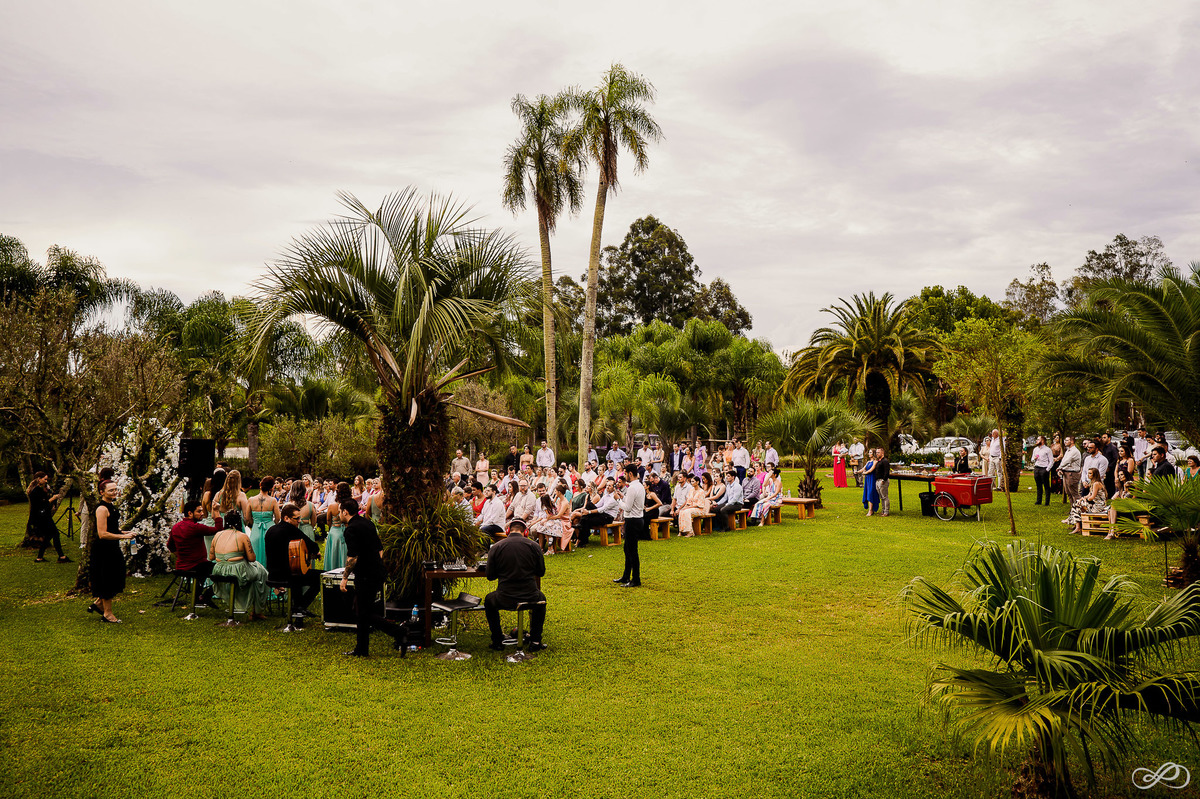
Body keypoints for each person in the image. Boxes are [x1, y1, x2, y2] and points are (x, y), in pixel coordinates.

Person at [337, 499, 407, 657]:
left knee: (363, 612)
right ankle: (362, 649)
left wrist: (344, 578)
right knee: (362, 611)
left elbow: (352, 557)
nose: (338, 514)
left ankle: (399, 631)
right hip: (376, 572)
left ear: (345, 512)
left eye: (340, 511)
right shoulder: (367, 523)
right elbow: (380, 549)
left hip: (366, 575)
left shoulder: (350, 530)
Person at [482, 518, 547, 651]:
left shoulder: (496, 547)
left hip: (504, 597)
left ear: (507, 531)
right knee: (541, 599)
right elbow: (541, 572)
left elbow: (490, 576)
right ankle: (535, 640)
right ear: (526, 532)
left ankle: (497, 640)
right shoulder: (534, 546)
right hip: (531, 596)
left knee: (489, 600)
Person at [88, 479, 137, 623]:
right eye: (111, 490)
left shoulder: (112, 506)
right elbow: (102, 533)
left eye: (116, 489)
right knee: (108, 579)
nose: (115, 492)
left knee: (117, 576)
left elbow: (112, 527)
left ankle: (98, 603)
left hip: (113, 548)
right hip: (104, 550)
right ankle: (107, 613)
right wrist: (123, 536)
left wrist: (123, 531)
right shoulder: (102, 509)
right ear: (101, 492)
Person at [208, 517, 270, 621]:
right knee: (262, 572)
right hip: (237, 571)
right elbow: (252, 558)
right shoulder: (242, 536)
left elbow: (211, 557)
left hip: (218, 570)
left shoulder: (217, 535)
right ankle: (257, 610)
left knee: (256, 571)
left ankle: (251, 608)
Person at [264, 503, 321, 614]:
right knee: (321, 577)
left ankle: (299, 607)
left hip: (272, 574)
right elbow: (312, 545)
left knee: (297, 571)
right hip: (288, 575)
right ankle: (300, 606)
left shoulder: (270, 530)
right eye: (296, 518)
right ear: (286, 518)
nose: (299, 521)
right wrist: (316, 552)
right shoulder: (291, 529)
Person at [168, 500, 221, 605]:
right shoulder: (196, 527)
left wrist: (180, 556)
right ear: (190, 513)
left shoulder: (176, 527)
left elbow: (170, 546)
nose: (202, 513)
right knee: (223, 571)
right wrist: (216, 511)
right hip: (197, 565)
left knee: (206, 568)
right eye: (199, 511)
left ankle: (199, 597)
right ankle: (206, 595)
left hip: (181, 565)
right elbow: (218, 529)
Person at [614, 464, 644, 587]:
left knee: (632, 551)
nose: (624, 476)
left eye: (625, 473)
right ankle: (626, 576)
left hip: (633, 520)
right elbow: (632, 501)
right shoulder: (639, 486)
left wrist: (617, 500)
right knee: (627, 549)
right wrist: (623, 497)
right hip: (637, 519)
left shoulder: (632, 488)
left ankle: (636, 579)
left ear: (630, 474)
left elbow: (627, 507)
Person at [27, 472, 67, 563]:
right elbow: (41, 504)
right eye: (44, 479)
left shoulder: (40, 489)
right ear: (39, 479)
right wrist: (53, 498)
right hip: (41, 517)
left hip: (43, 515)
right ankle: (61, 556)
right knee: (55, 534)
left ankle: (40, 557)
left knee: (48, 536)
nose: (46, 481)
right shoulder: (36, 491)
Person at [1068, 468, 1108, 534]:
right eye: (1088, 473)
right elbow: (1089, 495)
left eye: (1090, 473)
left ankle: (1077, 526)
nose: (1088, 475)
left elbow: (1092, 497)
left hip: (1098, 507)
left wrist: (1085, 500)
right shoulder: (1092, 483)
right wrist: (1082, 499)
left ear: (1094, 475)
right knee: (1077, 503)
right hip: (1095, 505)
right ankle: (1077, 526)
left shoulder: (1096, 484)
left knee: (1077, 505)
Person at [324, 482, 352, 570]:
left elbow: (328, 520)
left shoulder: (332, 506)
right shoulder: (351, 504)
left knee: (333, 553)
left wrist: (331, 527)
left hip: (335, 531)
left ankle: (332, 570)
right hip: (348, 531)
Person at [1057, 436, 1082, 511]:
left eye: (1067, 440)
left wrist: (1059, 467)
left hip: (1072, 474)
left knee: (1074, 493)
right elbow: (1064, 461)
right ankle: (1073, 510)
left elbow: (1067, 461)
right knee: (1069, 493)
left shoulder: (1074, 451)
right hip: (1066, 473)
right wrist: (1061, 469)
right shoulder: (1068, 451)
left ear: (1072, 441)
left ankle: (1079, 510)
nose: (1065, 441)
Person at [1031, 436, 1054, 506]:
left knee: (1046, 485)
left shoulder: (1047, 450)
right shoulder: (1035, 449)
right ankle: (1039, 500)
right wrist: (1034, 459)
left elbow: (1051, 461)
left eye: (1038, 439)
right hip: (1037, 467)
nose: (1036, 441)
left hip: (1044, 468)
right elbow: (1032, 459)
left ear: (1042, 441)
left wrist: (1047, 469)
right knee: (1038, 485)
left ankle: (1047, 502)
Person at [858, 451, 879, 516]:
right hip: (867, 479)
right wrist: (857, 472)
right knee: (867, 493)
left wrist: (865, 473)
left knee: (870, 493)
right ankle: (870, 510)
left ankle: (870, 510)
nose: (869, 453)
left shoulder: (875, 462)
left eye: (870, 452)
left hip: (872, 479)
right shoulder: (868, 462)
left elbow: (871, 470)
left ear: (873, 454)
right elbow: (863, 468)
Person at [873, 448, 891, 516]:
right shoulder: (878, 461)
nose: (877, 454)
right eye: (876, 452)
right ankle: (883, 510)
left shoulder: (885, 461)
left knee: (884, 496)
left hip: (882, 481)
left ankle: (886, 511)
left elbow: (887, 471)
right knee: (881, 497)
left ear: (882, 453)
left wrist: (884, 480)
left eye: (878, 452)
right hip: (878, 480)